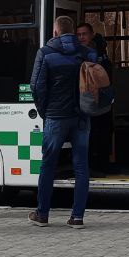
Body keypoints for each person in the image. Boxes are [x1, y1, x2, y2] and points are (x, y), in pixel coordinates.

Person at [28, 15, 97, 227]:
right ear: (74, 32)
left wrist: (44, 111)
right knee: (81, 166)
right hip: (81, 116)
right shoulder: (88, 53)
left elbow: (36, 86)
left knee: (48, 164)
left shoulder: (46, 53)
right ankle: (77, 217)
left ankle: (42, 214)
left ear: (55, 32)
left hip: (55, 116)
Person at [76, 22, 113, 177]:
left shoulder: (100, 51)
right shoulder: (77, 53)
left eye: (84, 34)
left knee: (105, 132)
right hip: (86, 100)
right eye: (78, 35)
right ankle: (91, 165)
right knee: (90, 135)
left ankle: (104, 164)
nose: (81, 37)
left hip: (103, 98)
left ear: (91, 35)